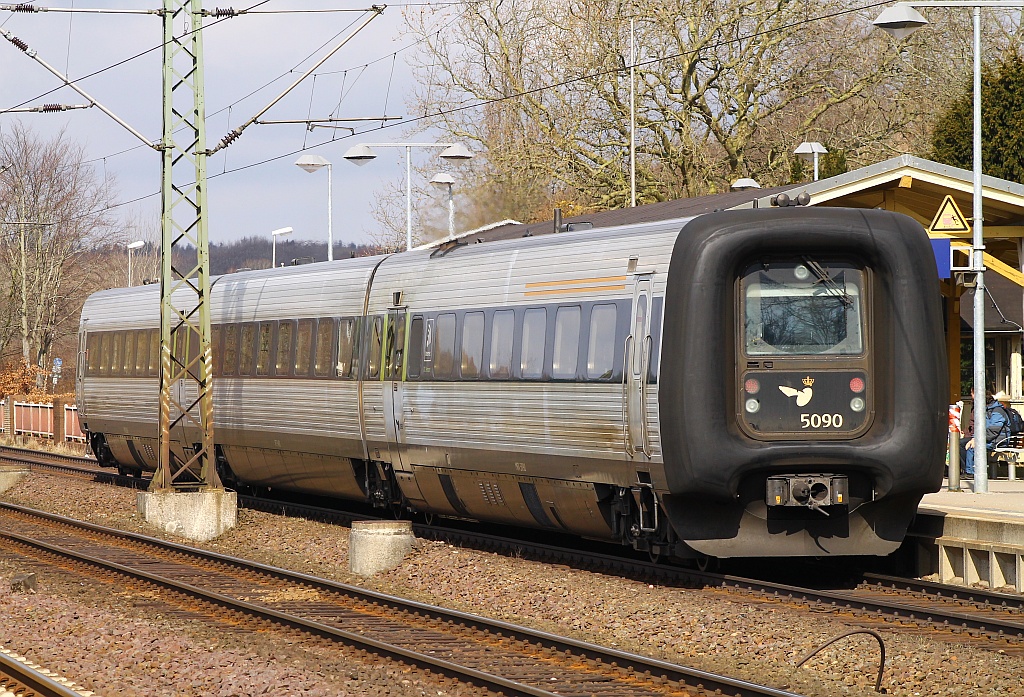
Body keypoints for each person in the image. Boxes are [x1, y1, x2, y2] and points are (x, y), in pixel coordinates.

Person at [963, 389, 1009, 478]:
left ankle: (970, 472)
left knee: (972, 447)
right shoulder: (988, 410)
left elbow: (993, 431)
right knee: (962, 444)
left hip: (998, 440)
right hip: (990, 438)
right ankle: (966, 469)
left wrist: (977, 439)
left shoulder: (997, 411)